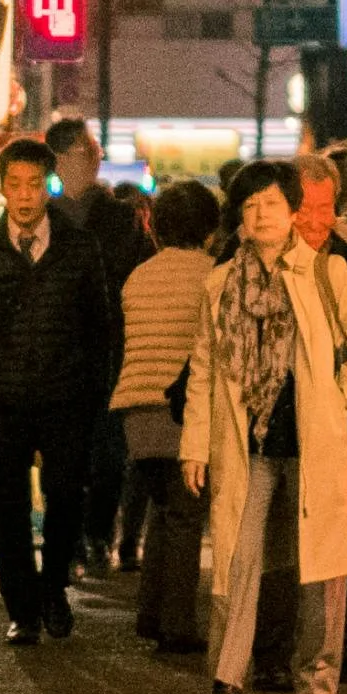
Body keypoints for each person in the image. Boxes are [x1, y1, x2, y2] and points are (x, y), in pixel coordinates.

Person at [180, 164, 347, 694]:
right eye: (249, 207)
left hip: (316, 440)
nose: (259, 215)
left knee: (322, 567)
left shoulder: (328, 274)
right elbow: (203, 367)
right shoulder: (221, 284)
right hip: (248, 442)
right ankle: (226, 677)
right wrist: (195, 444)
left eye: (270, 204)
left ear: (292, 211)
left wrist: (339, 403)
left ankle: (316, 680)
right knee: (236, 558)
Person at [0, 139, 109, 641]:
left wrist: (94, 396)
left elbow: (99, 326)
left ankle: (53, 588)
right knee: (8, 506)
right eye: (14, 184)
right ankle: (23, 611)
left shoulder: (78, 247)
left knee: (64, 498)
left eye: (33, 184)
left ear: (48, 185)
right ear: (1, 188)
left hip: (65, 396)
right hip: (0, 399)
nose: (24, 195)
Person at [112, 177, 223, 654]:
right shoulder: (214, 274)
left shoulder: (140, 275)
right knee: (184, 516)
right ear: (210, 228)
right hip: (184, 411)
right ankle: (176, 624)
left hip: (137, 409)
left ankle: (151, 613)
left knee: (165, 509)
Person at [43, 118, 143, 599]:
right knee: (64, 456)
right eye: (87, 150)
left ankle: (97, 534)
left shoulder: (122, 217)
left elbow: (141, 282)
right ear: (62, 159)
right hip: (59, 353)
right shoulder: (43, 218)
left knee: (108, 454)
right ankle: (70, 545)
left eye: (96, 149)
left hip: (113, 350)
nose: (96, 156)